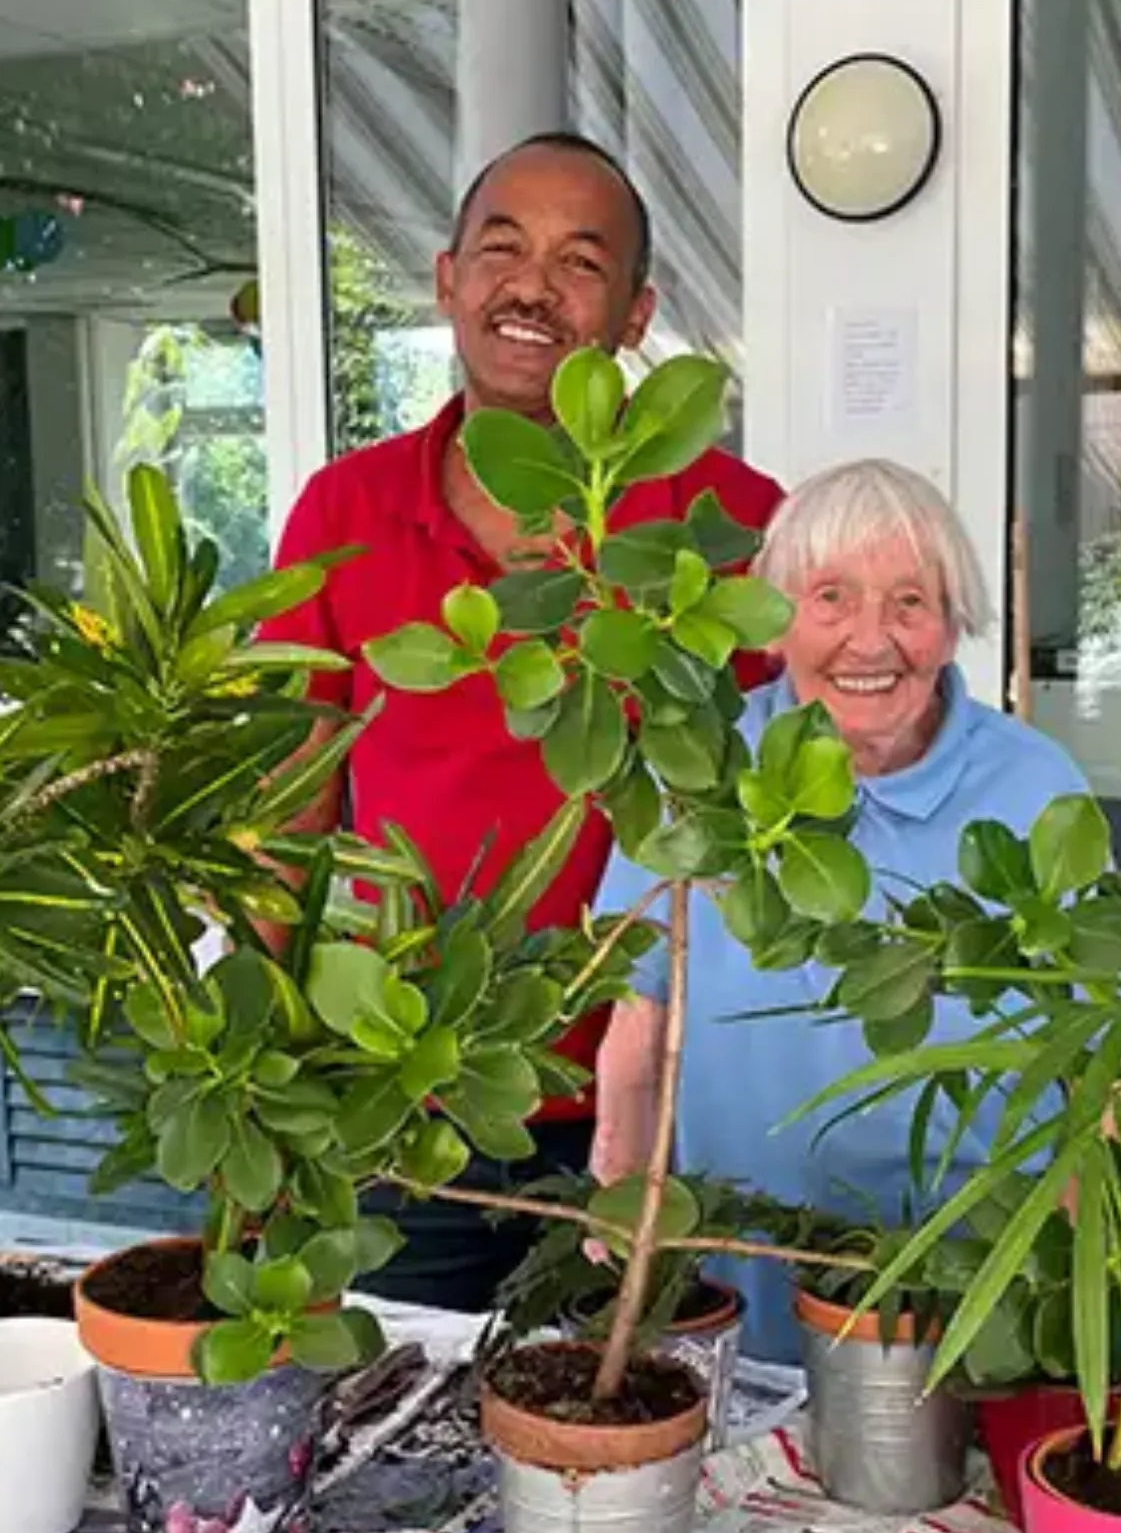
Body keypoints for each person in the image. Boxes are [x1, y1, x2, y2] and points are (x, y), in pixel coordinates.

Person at [261, 132, 784, 1311]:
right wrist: (277, 1065)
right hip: (404, 1094)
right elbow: (290, 798)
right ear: (448, 280)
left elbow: (801, 780)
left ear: (636, 314)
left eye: (580, 261)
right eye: (502, 247)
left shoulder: (726, 522)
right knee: (399, 1429)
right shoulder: (344, 509)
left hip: (650, 1113)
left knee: (626, 1455)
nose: (533, 284)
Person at [589, 460, 1090, 1363]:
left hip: (975, 1293)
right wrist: (621, 1188)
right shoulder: (696, 772)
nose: (872, 640)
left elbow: (1102, 1055)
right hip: (742, 1276)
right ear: (775, 620)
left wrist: (1080, 1278)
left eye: (910, 601)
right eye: (831, 598)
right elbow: (638, 1016)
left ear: (952, 622)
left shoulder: (1037, 786)